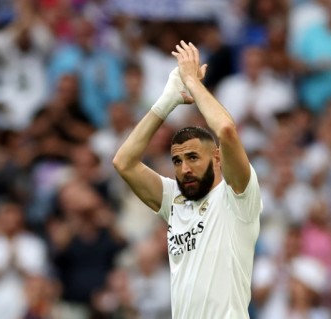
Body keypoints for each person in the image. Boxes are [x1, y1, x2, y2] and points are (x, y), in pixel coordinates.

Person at [112, 40, 263, 318]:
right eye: (177, 161)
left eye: (193, 157)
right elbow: (124, 162)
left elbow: (227, 129)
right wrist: (168, 99)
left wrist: (193, 82)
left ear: (217, 158)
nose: (184, 168)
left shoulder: (238, 198)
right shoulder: (175, 201)